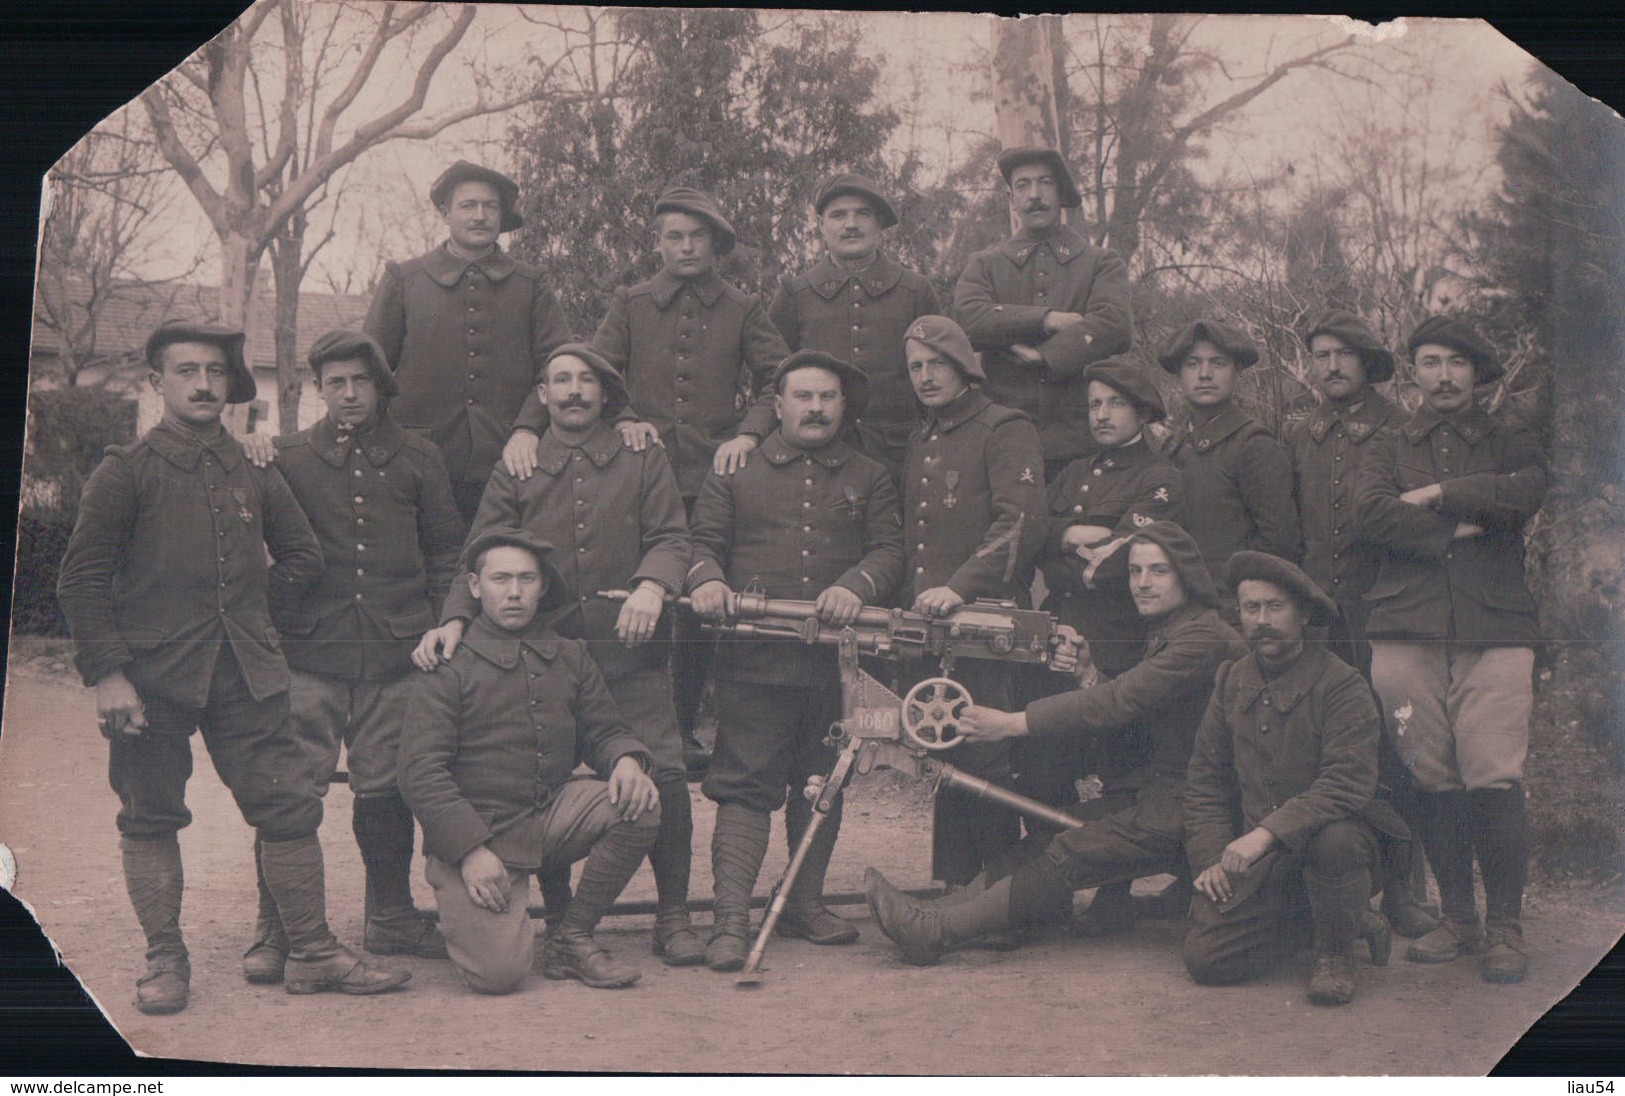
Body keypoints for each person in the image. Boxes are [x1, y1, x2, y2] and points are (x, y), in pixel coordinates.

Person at [56, 320, 410, 1015]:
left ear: (231, 385)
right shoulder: (124, 471)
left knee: (287, 808)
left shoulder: (253, 467)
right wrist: (110, 673)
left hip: (248, 675)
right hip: (150, 680)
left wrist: (249, 613)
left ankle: (310, 950)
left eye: (215, 372)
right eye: (185, 371)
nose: (202, 384)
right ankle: (166, 957)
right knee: (150, 816)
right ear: (157, 384)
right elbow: (81, 581)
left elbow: (304, 558)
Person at [413, 343, 701, 967]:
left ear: (606, 392)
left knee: (662, 775)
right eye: (561, 381)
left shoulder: (639, 454)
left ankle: (673, 913)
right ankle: (567, 919)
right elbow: (479, 554)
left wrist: (653, 585)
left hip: (629, 649)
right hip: (542, 652)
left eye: (587, 381)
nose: (574, 391)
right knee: (541, 773)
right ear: (542, 395)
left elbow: (673, 537)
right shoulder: (518, 462)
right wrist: (456, 623)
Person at [862, 522, 1244, 963]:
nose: (1142, 583)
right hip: (1164, 790)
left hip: (1199, 804)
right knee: (1051, 833)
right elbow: (1138, 708)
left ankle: (936, 931)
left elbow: (1121, 701)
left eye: (1158, 572)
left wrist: (1010, 723)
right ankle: (934, 912)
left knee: (1069, 850)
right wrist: (1088, 675)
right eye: (1136, 571)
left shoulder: (1201, 638)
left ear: (1187, 576)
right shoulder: (1174, 628)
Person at [505, 186, 790, 778]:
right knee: (644, 591)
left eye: (697, 237)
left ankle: (685, 728)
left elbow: (776, 379)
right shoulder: (631, 302)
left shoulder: (741, 307)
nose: (686, 247)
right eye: (674, 237)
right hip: (640, 475)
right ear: (658, 243)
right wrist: (561, 425)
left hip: (717, 475)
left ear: (715, 244)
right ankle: (627, 724)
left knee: (699, 604)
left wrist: (749, 434)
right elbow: (590, 370)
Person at [255, 330, 464, 980]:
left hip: (396, 656)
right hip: (308, 656)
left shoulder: (419, 458)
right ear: (319, 387)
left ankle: (391, 916)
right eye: (336, 382)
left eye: (361, 382)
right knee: (287, 794)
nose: (349, 394)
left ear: (380, 387)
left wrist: (447, 623)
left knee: (386, 789)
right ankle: (278, 930)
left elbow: (447, 555)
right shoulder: (283, 457)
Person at [686, 350, 904, 971]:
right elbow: (702, 544)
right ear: (776, 406)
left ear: (842, 406)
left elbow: (890, 550)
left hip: (837, 664)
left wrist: (857, 586)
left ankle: (804, 902)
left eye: (827, 397)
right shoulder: (736, 469)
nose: (815, 408)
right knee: (744, 785)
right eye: (802, 397)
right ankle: (730, 918)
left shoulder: (869, 475)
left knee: (824, 782)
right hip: (755, 660)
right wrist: (706, 581)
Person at [1357, 315, 1546, 984]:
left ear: (1475, 372)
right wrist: (1460, 530)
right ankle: (1455, 918)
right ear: (1412, 372)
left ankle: (1504, 927)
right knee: (1432, 777)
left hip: (1493, 628)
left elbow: (1526, 490)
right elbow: (1369, 512)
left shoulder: (1505, 438)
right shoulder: (1386, 441)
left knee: (1491, 774)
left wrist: (1441, 495)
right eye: (1429, 361)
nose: (1441, 375)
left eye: (1455, 363)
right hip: (1405, 630)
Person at [398, 528, 662, 994]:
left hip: (550, 816)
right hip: (479, 834)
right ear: (475, 587)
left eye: (527, 579)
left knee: (638, 802)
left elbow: (604, 729)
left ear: (543, 586)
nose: (515, 592)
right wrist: (469, 851)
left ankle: (571, 936)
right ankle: (479, 905)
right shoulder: (447, 663)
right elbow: (421, 772)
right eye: (500, 579)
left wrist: (624, 760)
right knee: (498, 976)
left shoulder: (570, 655)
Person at [1182, 551, 1406, 1006]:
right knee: (1207, 960)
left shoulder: (1343, 685)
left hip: (1341, 847)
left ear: (1304, 615)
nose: (1261, 620)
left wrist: (1264, 834)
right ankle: (1347, 919)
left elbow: (1346, 782)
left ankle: (1335, 953)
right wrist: (1210, 858)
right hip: (1268, 856)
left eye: (1275, 607)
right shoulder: (1230, 679)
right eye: (1250, 608)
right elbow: (1206, 777)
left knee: (1335, 840)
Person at [1284, 310, 1437, 940]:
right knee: (1324, 750)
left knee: (1397, 754)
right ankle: (1340, 891)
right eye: (1320, 355)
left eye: (1344, 354)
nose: (1331, 367)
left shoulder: (1403, 431)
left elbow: (1423, 527)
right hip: (1319, 621)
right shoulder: (1298, 437)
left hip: (1386, 614)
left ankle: (1407, 889)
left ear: (1368, 361)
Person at [899, 315, 1046, 891]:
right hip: (931, 623)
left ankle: (1001, 897)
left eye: (938, 363)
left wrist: (959, 587)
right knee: (946, 749)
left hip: (988, 620)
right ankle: (958, 887)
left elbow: (1021, 522)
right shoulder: (923, 438)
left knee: (986, 752)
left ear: (965, 366)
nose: (927, 376)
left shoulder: (1005, 428)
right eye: (916, 366)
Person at [364, 161, 571, 521]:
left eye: (490, 207)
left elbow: (558, 367)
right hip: (416, 458)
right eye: (467, 206)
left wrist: (528, 428)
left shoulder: (531, 283)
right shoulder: (404, 279)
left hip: (511, 456)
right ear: (445, 213)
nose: (479, 216)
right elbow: (371, 369)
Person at [954, 146, 1133, 481]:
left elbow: (1116, 324)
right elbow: (968, 318)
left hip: (1083, 440)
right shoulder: (986, 265)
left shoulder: (1100, 263)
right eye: (1022, 186)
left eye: (1045, 183)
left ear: (1061, 192)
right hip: (1003, 438)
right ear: (1011, 198)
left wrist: (1045, 357)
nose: (1034, 195)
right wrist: (1047, 319)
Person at [768, 172, 942, 478]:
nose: (851, 224)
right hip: (817, 455)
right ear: (821, 225)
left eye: (862, 214)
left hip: (902, 455)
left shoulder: (915, 290)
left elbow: (942, 373)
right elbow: (771, 379)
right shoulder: (795, 293)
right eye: (838, 215)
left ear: (879, 224)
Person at [1159, 319, 1302, 596]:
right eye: (1192, 364)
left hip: (1228, 608)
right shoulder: (1172, 446)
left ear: (1237, 371)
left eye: (1218, 363)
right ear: (1179, 373)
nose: (1204, 374)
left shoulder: (1253, 446)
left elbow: (1279, 544)